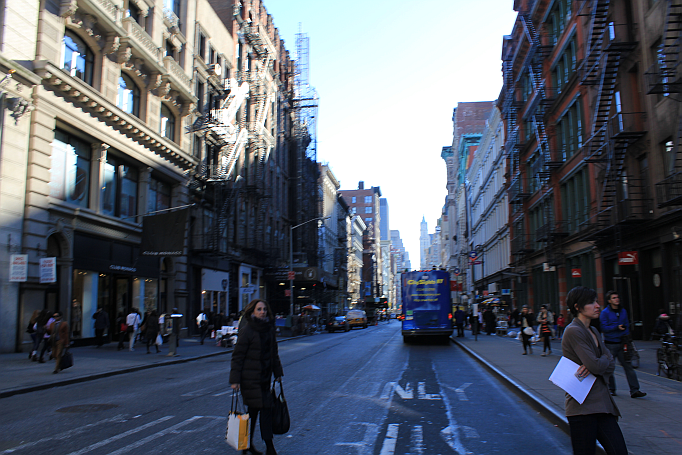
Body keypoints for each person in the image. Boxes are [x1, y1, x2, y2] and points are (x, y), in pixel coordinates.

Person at [562, 286, 626, 455]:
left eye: (596, 301)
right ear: (577, 307)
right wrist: (602, 361)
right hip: (582, 407)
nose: (597, 305)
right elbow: (597, 365)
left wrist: (601, 362)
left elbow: (607, 364)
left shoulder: (594, 330)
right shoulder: (573, 331)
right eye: (591, 302)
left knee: (619, 451)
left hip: (603, 405)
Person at [230, 299, 283, 455]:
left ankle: (247, 446)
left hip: (264, 380)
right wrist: (235, 380)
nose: (262, 312)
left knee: (254, 413)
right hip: (250, 379)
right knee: (263, 410)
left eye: (264, 309)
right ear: (252, 311)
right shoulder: (247, 330)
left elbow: (274, 353)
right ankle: (269, 447)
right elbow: (237, 356)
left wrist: (278, 373)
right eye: (259, 309)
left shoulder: (269, 330)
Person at [599, 291, 646, 398]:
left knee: (628, 366)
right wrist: (616, 327)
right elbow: (604, 328)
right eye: (614, 298)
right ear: (609, 301)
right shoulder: (605, 313)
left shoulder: (623, 311)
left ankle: (635, 390)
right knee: (610, 367)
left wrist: (625, 334)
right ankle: (611, 389)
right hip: (610, 344)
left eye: (617, 297)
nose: (617, 299)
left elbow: (626, 325)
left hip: (622, 343)